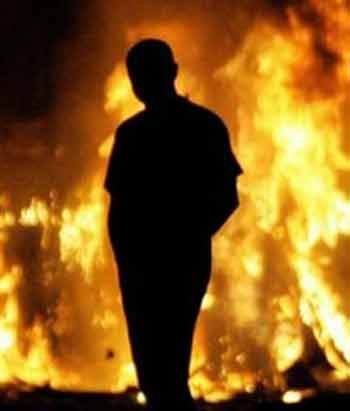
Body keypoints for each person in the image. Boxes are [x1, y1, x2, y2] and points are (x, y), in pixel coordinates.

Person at [105, 39, 242, 411]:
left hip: (174, 264)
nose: (139, 83)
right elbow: (119, 208)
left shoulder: (197, 127)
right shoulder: (134, 133)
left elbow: (226, 197)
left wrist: (182, 238)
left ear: (172, 72)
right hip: (147, 266)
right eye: (136, 75)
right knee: (157, 373)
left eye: (144, 74)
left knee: (164, 370)